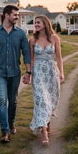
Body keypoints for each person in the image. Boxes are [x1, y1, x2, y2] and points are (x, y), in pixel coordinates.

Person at [0, 5, 31, 143]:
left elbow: (26, 53)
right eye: (15, 15)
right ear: (6, 15)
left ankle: (11, 123)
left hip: (15, 73)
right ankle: (5, 132)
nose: (17, 17)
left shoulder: (21, 33)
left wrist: (28, 71)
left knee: (13, 101)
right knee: (2, 100)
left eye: (18, 15)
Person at [28, 15, 64, 146]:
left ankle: (46, 123)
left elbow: (59, 57)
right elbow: (31, 59)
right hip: (38, 72)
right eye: (35, 23)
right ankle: (44, 132)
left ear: (45, 24)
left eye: (38, 22)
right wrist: (29, 74)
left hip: (51, 72)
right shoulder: (32, 40)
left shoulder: (55, 39)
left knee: (50, 99)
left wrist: (61, 73)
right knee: (41, 100)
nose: (35, 24)